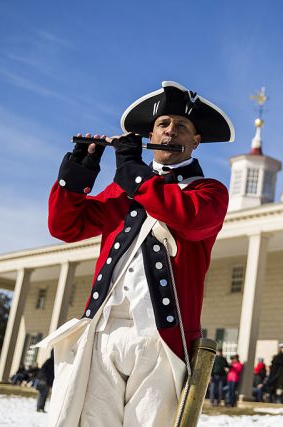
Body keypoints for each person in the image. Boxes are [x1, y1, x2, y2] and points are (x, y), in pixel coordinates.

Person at [42, 81, 233, 427]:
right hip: (104, 332)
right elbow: (65, 227)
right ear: (152, 134)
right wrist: (78, 172)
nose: (170, 130)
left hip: (162, 339)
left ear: (195, 141)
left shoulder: (209, 191)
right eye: (162, 124)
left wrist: (132, 169)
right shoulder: (123, 189)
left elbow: (186, 217)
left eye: (181, 126)